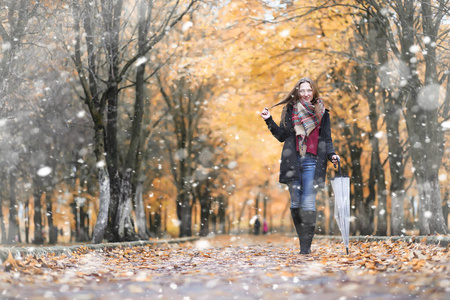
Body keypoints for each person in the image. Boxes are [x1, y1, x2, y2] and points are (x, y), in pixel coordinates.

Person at [260, 77, 339, 254]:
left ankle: (305, 248)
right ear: (297, 92)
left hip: (313, 161)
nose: (305, 94)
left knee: (308, 203)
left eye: (308, 90)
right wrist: (268, 120)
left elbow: (326, 139)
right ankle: (303, 241)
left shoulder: (323, 112)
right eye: (302, 90)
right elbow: (282, 136)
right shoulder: (290, 110)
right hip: (293, 161)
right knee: (296, 203)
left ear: (313, 92)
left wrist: (332, 154)